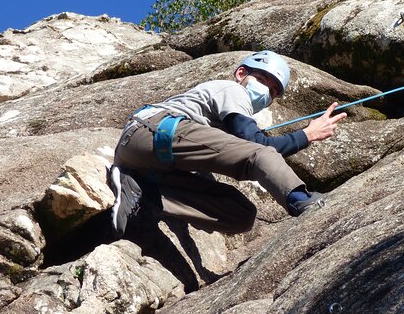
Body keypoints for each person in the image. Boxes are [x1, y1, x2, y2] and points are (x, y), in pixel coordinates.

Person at [109, 50, 347, 237]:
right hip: (151, 131)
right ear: (241, 73)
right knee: (261, 154)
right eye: (263, 80)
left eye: (274, 91)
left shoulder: (227, 119)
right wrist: (307, 134)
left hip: (152, 161)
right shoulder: (232, 90)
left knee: (240, 214)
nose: (267, 91)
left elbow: (247, 140)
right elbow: (256, 144)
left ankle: (143, 193)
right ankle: (302, 201)